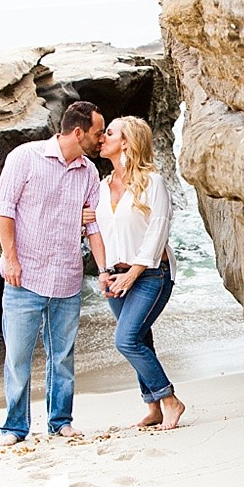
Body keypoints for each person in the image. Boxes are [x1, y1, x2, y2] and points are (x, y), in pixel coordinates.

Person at [0, 101, 110, 446]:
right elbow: (4, 211)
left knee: (62, 357)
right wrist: (11, 260)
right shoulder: (24, 158)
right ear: (78, 132)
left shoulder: (89, 172)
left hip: (67, 278)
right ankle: (15, 428)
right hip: (24, 277)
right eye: (97, 132)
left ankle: (61, 421)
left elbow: (93, 227)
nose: (101, 139)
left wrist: (104, 270)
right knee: (17, 356)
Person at [85, 116, 185, 430]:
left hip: (152, 274)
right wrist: (103, 271)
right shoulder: (101, 188)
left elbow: (158, 232)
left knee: (126, 340)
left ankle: (170, 400)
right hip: (115, 275)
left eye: (109, 133)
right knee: (140, 337)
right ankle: (153, 406)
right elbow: (96, 231)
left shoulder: (152, 182)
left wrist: (134, 273)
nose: (102, 138)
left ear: (126, 142)